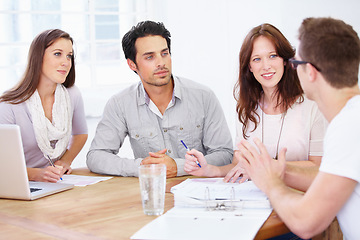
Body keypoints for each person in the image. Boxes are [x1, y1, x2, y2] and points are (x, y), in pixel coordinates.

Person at [236, 17, 360, 239]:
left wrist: (271, 183)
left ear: (310, 72)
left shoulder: (348, 128)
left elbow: (305, 222)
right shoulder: (351, 119)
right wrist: (269, 169)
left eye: (297, 63)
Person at [184, 23, 327, 191]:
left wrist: (262, 166)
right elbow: (239, 166)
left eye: (273, 56)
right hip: (257, 199)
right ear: (250, 67)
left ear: (285, 60)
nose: (266, 66)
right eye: (257, 59)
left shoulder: (312, 106)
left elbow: (318, 168)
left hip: (298, 197)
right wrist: (209, 169)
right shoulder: (246, 108)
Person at [86, 20, 233, 178]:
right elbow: (96, 157)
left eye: (164, 53)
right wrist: (143, 166)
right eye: (150, 57)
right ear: (132, 65)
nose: (161, 63)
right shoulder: (120, 104)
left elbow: (225, 154)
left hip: (199, 190)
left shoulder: (203, 96)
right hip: (151, 192)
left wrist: (179, 167)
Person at [0, 29, 88, 183]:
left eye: (69, 56)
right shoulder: (9, 104)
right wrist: (37, 175)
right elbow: (4, 164)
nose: (66, 62)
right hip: (19, 183)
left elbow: (81, 134)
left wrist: (65, 161)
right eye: (57, 54)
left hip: (55, 181)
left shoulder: (72, 94)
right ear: (38, 57)